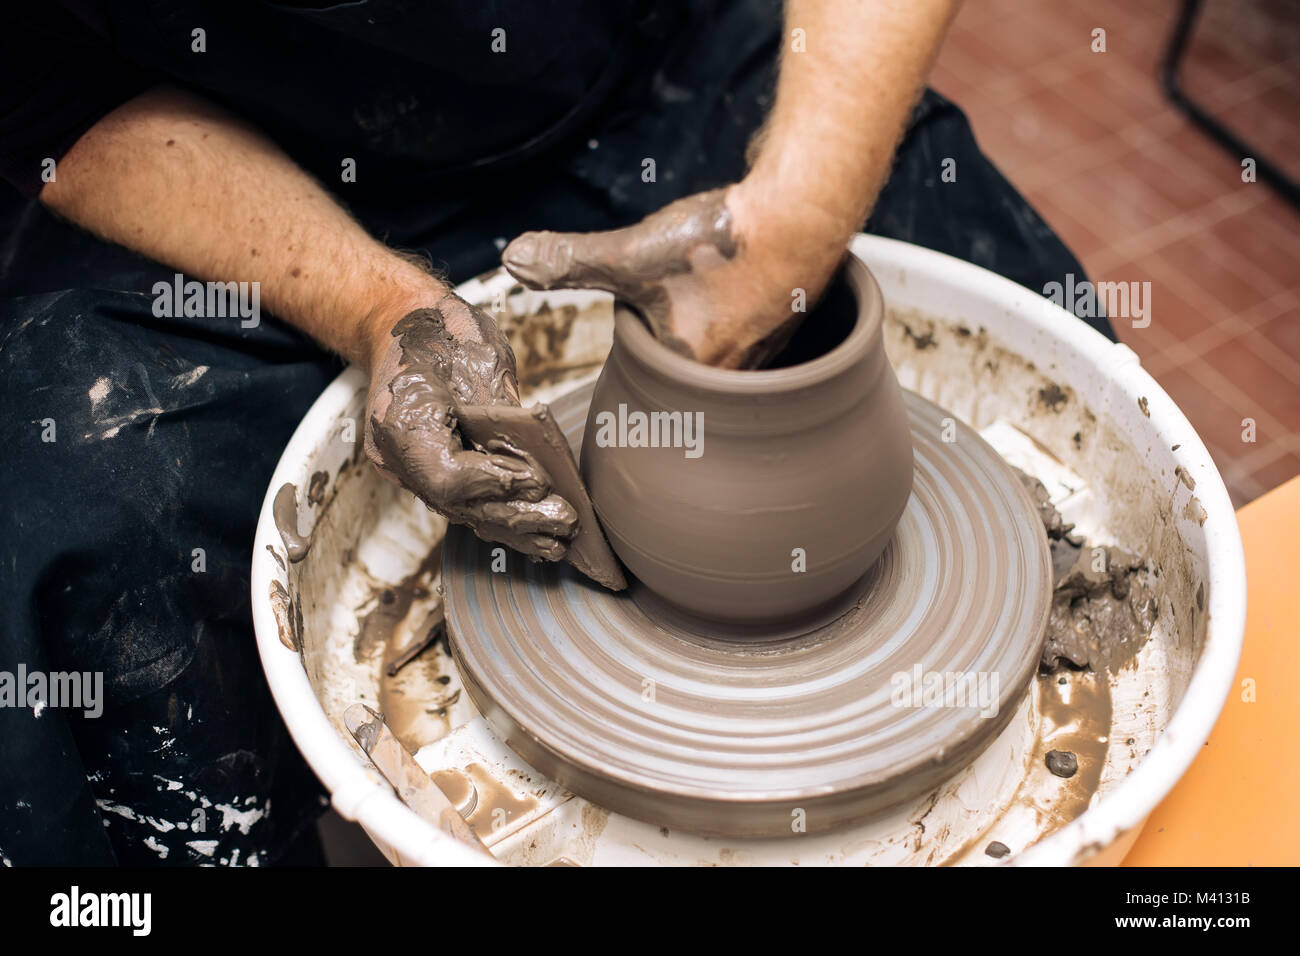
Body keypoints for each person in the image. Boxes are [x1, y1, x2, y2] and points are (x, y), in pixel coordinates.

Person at [0, 0, 1112, 866]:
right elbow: (53, 101)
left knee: (1057, 333)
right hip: (236, 155)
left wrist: (793, 221)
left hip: (654, 71)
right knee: (73, 528)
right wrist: (376, 305)